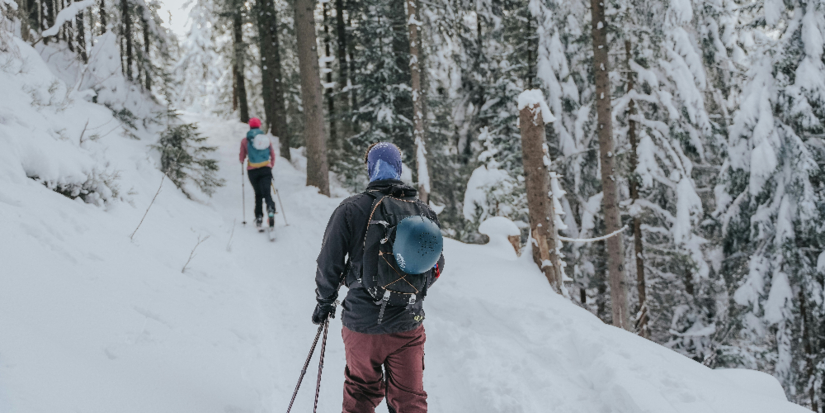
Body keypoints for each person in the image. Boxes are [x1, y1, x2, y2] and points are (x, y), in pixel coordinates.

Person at [313, 142, 445, 413]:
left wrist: (325, 301)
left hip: (362, 325)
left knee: (360, 394)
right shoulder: (422, 211)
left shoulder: (350, 209)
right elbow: (436, 264)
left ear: (371, 168)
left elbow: (329, 263)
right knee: (410, 402)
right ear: (398, 168)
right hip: (408, 325)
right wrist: (414, 291)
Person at [239, 117, 276, 229]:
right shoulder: (266, 138)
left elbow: (242, 157)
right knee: (267, 193)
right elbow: (272, 154)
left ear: (250, 126)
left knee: (258, 194)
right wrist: (271, 165)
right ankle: (270, 208)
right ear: (259, 126)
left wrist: (242, 161)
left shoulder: (245, 140)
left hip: (252, 171)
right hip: (266, 169)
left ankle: (259, 217)